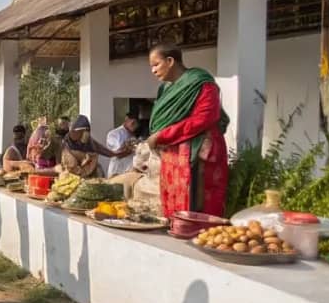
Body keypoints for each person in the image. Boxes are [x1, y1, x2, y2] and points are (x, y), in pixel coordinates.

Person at [146, 42, 229, 217]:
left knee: (200, 208)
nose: (153, 71)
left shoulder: (201, 82)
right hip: (172, 155)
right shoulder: (165, 89)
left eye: (156, 64)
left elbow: (205, 118)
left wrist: (162, 135)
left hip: (199, 153)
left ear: (170, 61)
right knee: (174, 211)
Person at [61, 115, 129, 177]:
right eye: (82, 132)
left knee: (99, 172)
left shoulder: (87, 139)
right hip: (73, 173)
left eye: (86, 132)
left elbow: (102, 150)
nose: (84, 134)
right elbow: (69, 163)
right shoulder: (66, 142)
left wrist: (118, 153)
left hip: (90, 170)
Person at [106, 113, 141, 177]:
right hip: (117, 172)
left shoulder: (133, 137)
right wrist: (131, 146)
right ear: (126, 119)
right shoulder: (114, 134)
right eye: (133, 123)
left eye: (136, 124)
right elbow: (118, 153)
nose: (135, 126)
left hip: (129, 173)